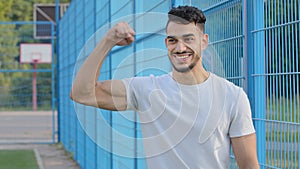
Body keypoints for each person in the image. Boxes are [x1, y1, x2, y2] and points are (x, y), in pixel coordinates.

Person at [71, 5, 260, 169]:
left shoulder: (232, 96)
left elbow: (249, 165)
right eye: (173, 40)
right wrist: (108, 40)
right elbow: (82, 93)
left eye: (188, 39)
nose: (180, 48)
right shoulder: (146, 90)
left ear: (204, 41)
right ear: (166, 43)